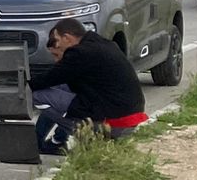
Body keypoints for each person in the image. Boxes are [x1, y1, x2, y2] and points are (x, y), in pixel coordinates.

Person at [29, 18, 147, 154]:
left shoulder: (80, 53)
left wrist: (22, 85)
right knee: (60, 90)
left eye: (58, 41)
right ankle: (48, 141)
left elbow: (48, 79)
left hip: (114, 122)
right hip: (130, 115)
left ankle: (85, 136)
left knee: (37, 95)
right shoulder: (102, 44)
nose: (57, 60)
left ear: (66, 38)